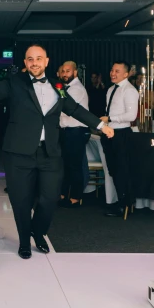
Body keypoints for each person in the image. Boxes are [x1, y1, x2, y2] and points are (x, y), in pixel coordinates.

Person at [0, 45, 107, 259]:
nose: (34, 62)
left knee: (50, 198)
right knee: (20, 200)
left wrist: (99, 124)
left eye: (39, 58)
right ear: (25, 63)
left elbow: (74, 109)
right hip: (18, 153)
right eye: (30, 59)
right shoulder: (15, 83)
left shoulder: (58, 85)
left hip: (49, 153)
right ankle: (25, 241)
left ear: (47, 61)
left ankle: (38, 231)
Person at [99, 60, 139, 218]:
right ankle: (120, 202)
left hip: (122, 134)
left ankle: (126, 204)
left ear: (126, 74)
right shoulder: (110, 89)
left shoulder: (129, 90)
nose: (113, 73)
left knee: (122, 169)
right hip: (110, 133)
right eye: (112, 70)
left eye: (117, 71)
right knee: (113, 170)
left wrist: (109, 118)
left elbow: (131, 116)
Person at [58, 61, 90, 208]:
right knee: (65, 164)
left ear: (75, 73)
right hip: (68, 131)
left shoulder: (76, 89)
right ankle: (63, 194)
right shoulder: (66, 88)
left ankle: (75, 198)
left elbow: (65, 109)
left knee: (75, 165)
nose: (65, 74)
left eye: (68, 71)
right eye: (63, 71)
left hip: (76, 131)